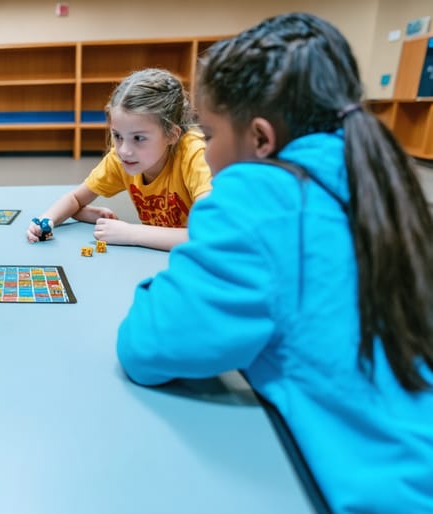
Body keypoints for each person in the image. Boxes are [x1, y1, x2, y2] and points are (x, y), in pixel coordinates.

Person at [116, 12, 433, 513]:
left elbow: (149, 345)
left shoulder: (259, 197)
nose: (207, 154)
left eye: (210, 135)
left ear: (260, 139)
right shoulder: (376, 175)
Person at [26, 68, 212, 251]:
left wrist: (132, 233)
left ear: (172, 135)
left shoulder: (197, 156)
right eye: (117, 135)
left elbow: (209, 236)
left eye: (138, 138)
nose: (124, 150)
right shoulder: (121, 158)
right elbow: (75, 198)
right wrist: (46, 221)